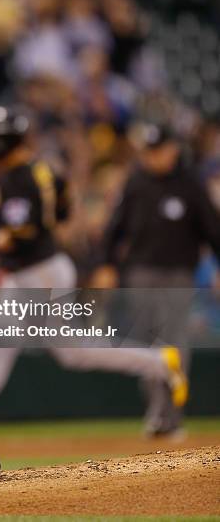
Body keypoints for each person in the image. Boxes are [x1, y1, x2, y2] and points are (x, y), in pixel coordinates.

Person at [0, 107, 188, 442]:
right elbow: (62, 209)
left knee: (65, 350)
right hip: (33, 272)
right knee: (29, 348)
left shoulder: (19, 178)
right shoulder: (41, 170)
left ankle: (159, 361)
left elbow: (23, 231)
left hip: (40, 274)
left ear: (0, 145)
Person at [93, 122, 220, 436]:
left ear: (172, 149)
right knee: (147, 343)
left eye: (157, 150)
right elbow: (116, 227)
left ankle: (170, 415)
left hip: (178, 273)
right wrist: (107, 263)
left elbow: (212, 228)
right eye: (148, 152)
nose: (152, 157)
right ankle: (157, 412)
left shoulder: (189, 183)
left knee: (172, 341)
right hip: (140, 273)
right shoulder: (137, 182)